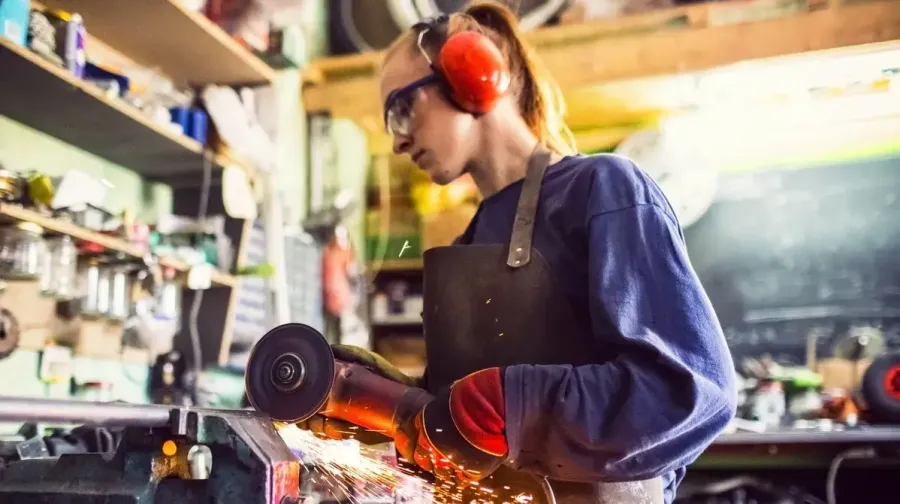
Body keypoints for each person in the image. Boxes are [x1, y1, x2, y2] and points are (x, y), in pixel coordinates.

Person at [299, 2, 737, 503]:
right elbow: (457, 431)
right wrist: (378, 400)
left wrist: (510, 404)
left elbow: (690, 390)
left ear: (472, 75)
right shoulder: (468, 244)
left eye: (402, 109)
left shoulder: (603, 190)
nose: (398, 141)